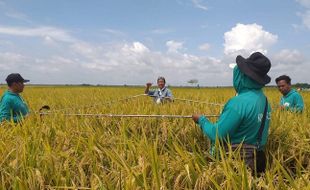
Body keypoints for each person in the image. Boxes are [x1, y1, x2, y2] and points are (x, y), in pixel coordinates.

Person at [192, 52, 272, 174]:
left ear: (242, 76)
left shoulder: (238, 103)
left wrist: (201, 120)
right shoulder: (264, 100)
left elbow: (217, 135)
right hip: (258, 158)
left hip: (237, 162)